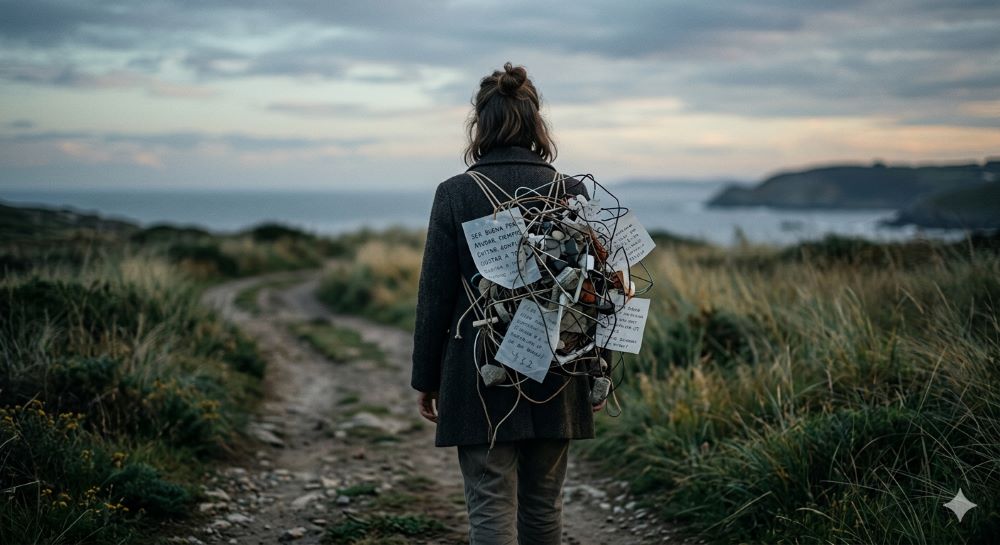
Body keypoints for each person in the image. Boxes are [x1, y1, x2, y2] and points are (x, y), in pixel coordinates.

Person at [411, 62, 605, 545]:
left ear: (481, 125)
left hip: (479, 370)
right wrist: (597, 374)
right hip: (562, 369)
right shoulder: (571, 192)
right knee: (544, 506)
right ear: (536, 123)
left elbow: (434, 294)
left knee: (490, 505)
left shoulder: (456, 193)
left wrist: (427, 379)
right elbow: (595, 292)